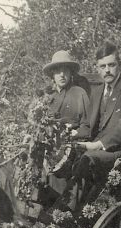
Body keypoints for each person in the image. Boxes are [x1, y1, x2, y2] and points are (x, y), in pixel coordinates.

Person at [66, 41, 121, 210]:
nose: (107, 70)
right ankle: (52, 207)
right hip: (97, 147)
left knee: (88, 158)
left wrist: (97, 145)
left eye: (111, 65)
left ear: (119, 65)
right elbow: (88, 126)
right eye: (102, 66)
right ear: (97, 68)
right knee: (63, 156)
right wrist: (69, 135)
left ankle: (69, 213)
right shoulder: (97, 91)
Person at [40, 50, 90, 204]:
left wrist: (72, 134)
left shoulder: (79, 93)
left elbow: (87, 127)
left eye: (65, 70)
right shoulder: (48, 98)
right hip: (48, 149)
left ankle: (62, 208)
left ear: (70, 73)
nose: (62, 75)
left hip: (71, 148)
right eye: (58, 71)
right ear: (52, 75)